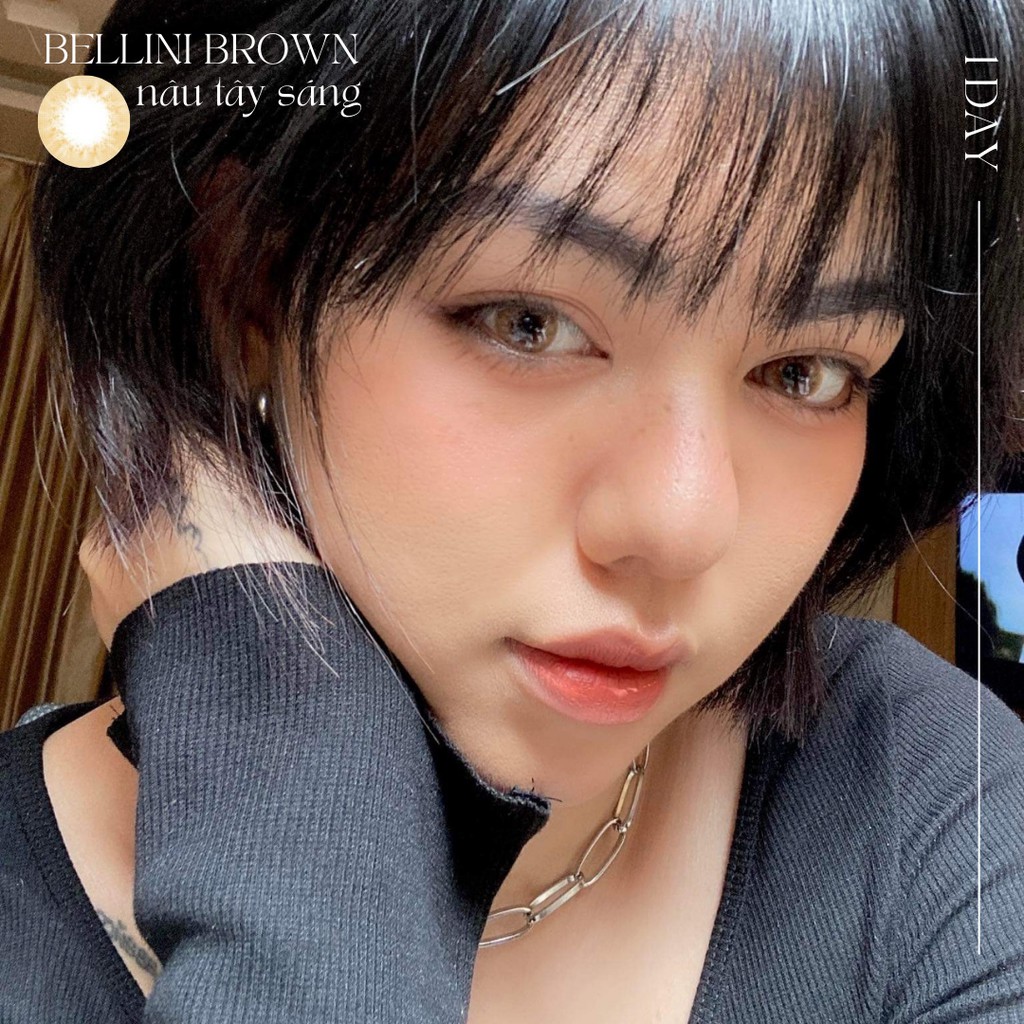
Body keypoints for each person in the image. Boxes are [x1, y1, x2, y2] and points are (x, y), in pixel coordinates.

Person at [2, 0, 1023, 1021]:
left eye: (805, 372)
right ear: (247, 287)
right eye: (528, 322)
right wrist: (286, 752)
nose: (680, 529)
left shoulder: (929, 788)